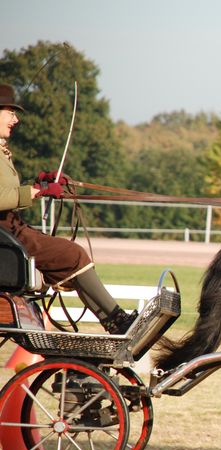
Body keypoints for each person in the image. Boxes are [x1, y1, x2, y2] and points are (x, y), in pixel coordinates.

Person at [0, 83, 136, 334]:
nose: (16, 119)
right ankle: (117, 321)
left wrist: (40, 183)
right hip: (7, 237)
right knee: (73, 255)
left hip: (14, 232)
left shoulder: (3, 151)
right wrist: (37, 191)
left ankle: (115, 321)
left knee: (72, 257)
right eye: (11, 113)